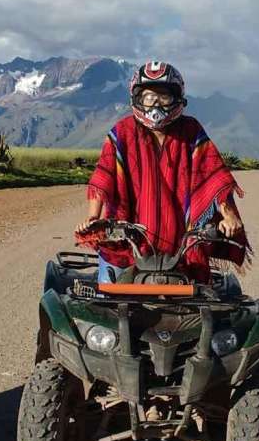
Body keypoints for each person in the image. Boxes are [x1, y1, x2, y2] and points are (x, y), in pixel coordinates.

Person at [77, 60, 249, 282]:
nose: (155, 104)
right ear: (137, 99)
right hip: (129, 240)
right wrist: (93, 218)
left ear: (177, 98)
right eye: (149, 97)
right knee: (108, 294)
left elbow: (212, 175)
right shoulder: (122, 132)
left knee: (204, 301)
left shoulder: (191, 131)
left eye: (163, 97)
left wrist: (229, 216)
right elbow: (104, 177)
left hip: (181, 243)